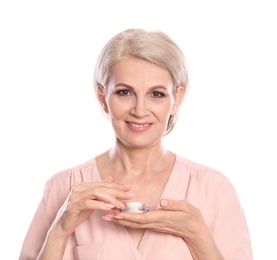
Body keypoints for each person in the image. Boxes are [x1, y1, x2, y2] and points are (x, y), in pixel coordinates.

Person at [19, 28, 253, 260]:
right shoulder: (63, 188)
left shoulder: (214, 190)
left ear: (176, 99)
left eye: (157, 94)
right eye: (124, 92)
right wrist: (60, 230)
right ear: (103, 98)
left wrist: (199, 237)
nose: (140, 111)